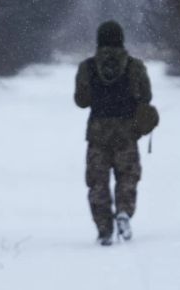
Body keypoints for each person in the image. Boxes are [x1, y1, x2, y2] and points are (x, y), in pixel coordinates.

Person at [74, 20, 152, 246]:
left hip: (97, 132)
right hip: (127, 131)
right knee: (128, 177)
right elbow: (145, 97)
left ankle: (104, 229)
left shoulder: (87, 67)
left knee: (97, 182)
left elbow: (81, 101)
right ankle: (124, 212)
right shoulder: (135, 66)